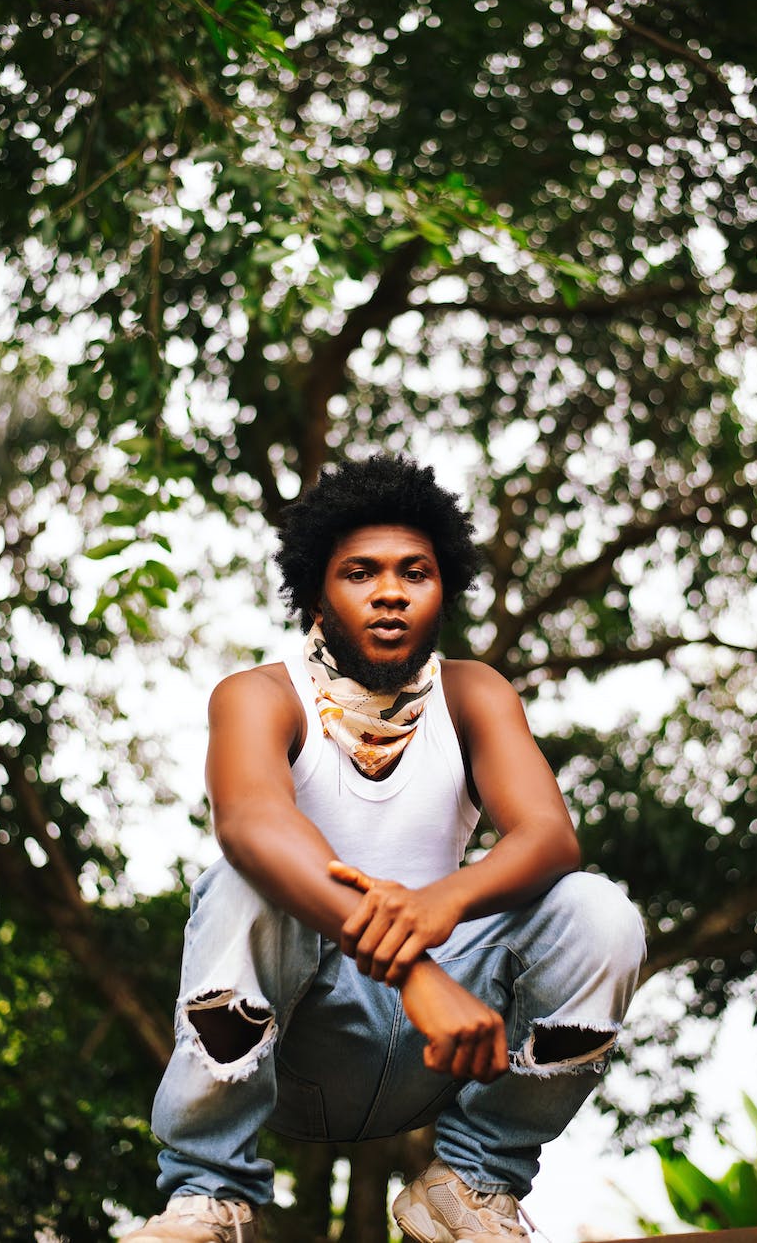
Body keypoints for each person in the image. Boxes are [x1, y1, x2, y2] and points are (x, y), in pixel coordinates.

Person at [126, 454, 646, 1243]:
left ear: (444, 589)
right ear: (316, 593)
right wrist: (412, 967)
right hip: (294, 1040)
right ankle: (210, 1196)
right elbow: (254, 825)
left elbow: (549, 836)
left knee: (600, 913)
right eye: (360, 573)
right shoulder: (261, 696)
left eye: (416, 572)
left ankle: (471, 1183)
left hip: (444, 1049)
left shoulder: (474, 693)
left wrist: (442, 903)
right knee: (243, 880)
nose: (392, 592)